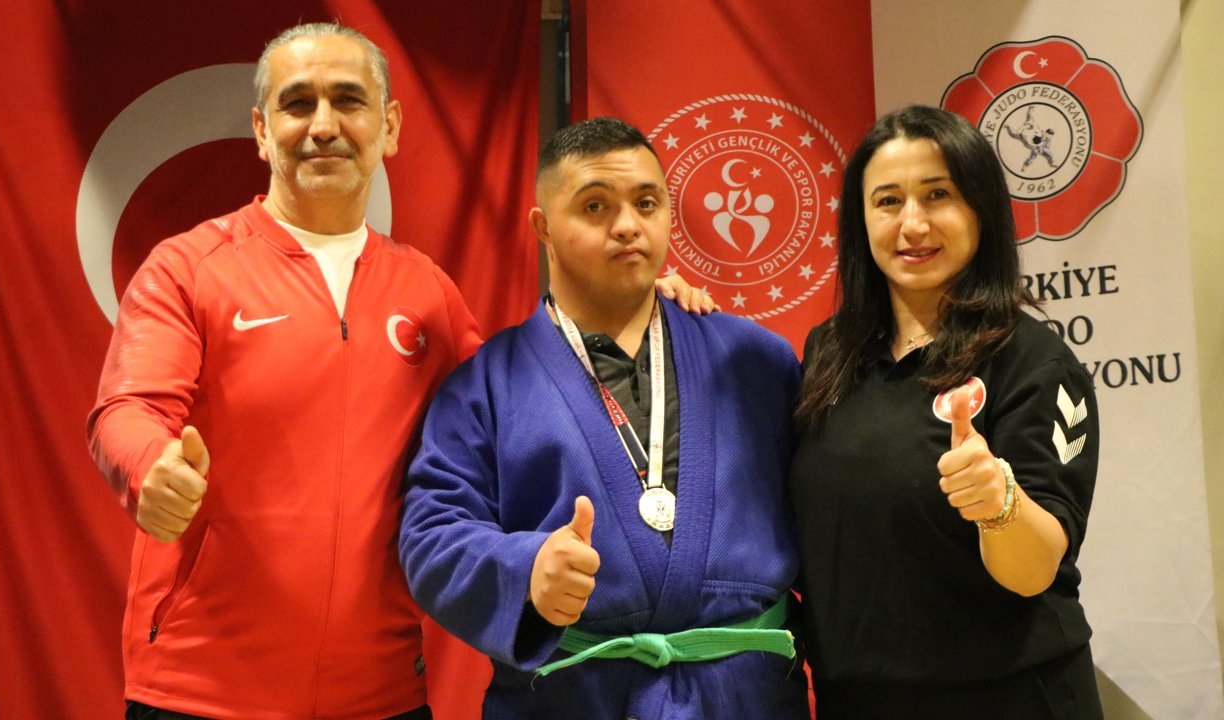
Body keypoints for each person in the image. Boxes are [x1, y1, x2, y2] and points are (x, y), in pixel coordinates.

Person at [87, 24, 711, 720]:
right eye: (299, 104)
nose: (324, 126)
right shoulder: (187, 267)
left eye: (348, 101)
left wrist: (642, 304)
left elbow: (524, 408)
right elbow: (128, 409)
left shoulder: (427, 292)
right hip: (200, 688)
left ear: (388, 127)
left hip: (381, 692)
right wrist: (151, 468)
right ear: (262, 131)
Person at [398, 117, 809, 719]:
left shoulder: (755, 361)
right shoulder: (485, 385)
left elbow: (830, 518)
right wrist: (527, 570)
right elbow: (432, 533)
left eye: (646, 203)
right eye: (595, 206)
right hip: (568, 701)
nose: (627, 225)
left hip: (745, 698)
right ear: (543, 227)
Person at [790, 105, 1101, 719]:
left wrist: (999, 505)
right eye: (888, 201)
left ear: (981, 209)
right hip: (858, 697)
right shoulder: (828, 352)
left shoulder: (1034, 361)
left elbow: (1036, 569)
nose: (913, 223)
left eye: (939, 195)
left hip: (1008, 697)